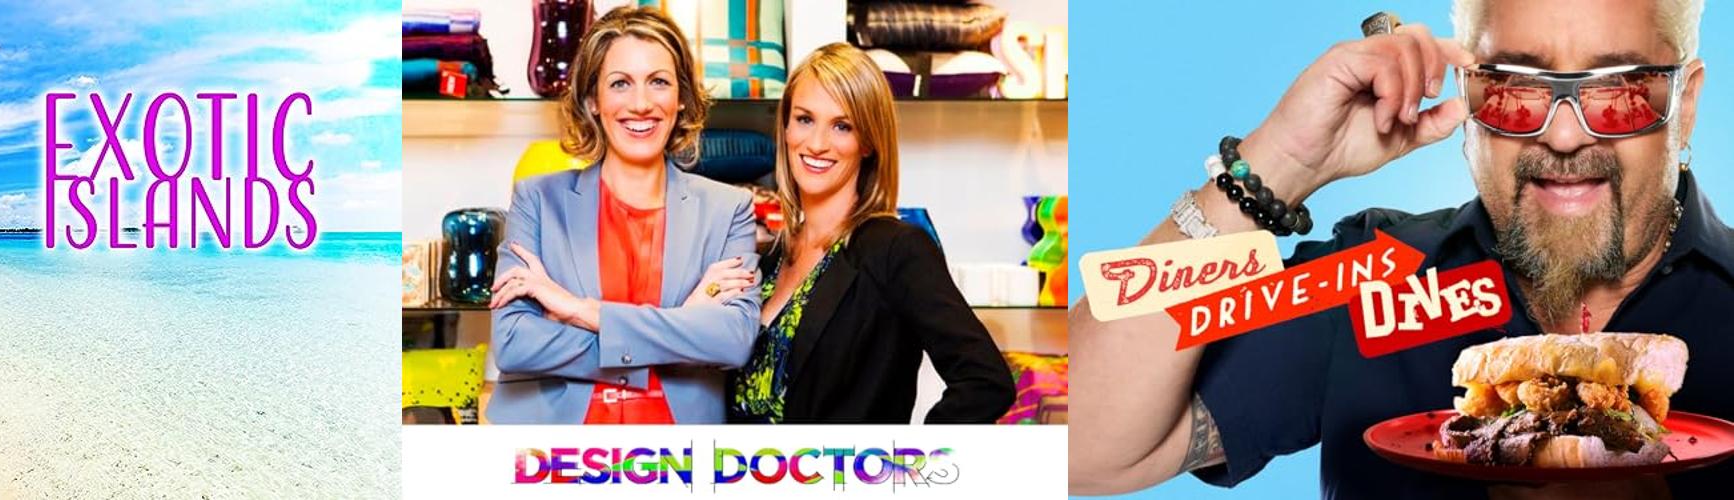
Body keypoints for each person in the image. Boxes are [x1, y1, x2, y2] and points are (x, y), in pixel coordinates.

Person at [1069, 0, 1721, 498]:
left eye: (1620, 90)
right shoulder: (1375, 279)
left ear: (1685, 105)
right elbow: (1074, 447)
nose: (1566, 135)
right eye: (1514, 88)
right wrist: (1277, 166)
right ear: (1466, 98)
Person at [486, 6, 762, 425]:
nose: (641, 104)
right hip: (555, 447)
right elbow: (513, 342)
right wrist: (684, 325)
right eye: (620, 83)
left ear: (682, 98)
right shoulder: (537, 200)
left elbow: (732, 340)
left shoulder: (728, 210)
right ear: (593, 100)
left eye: (659, 82)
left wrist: (579, 311)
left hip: (679, 449)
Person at [729, 43, 1015, 424]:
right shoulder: (772, 257)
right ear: (785, 126)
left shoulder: (896, 249)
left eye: (842, 126)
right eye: (804, 119)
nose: (816, 143)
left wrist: (906, 458)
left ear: (867, 141)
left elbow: (986, 381)